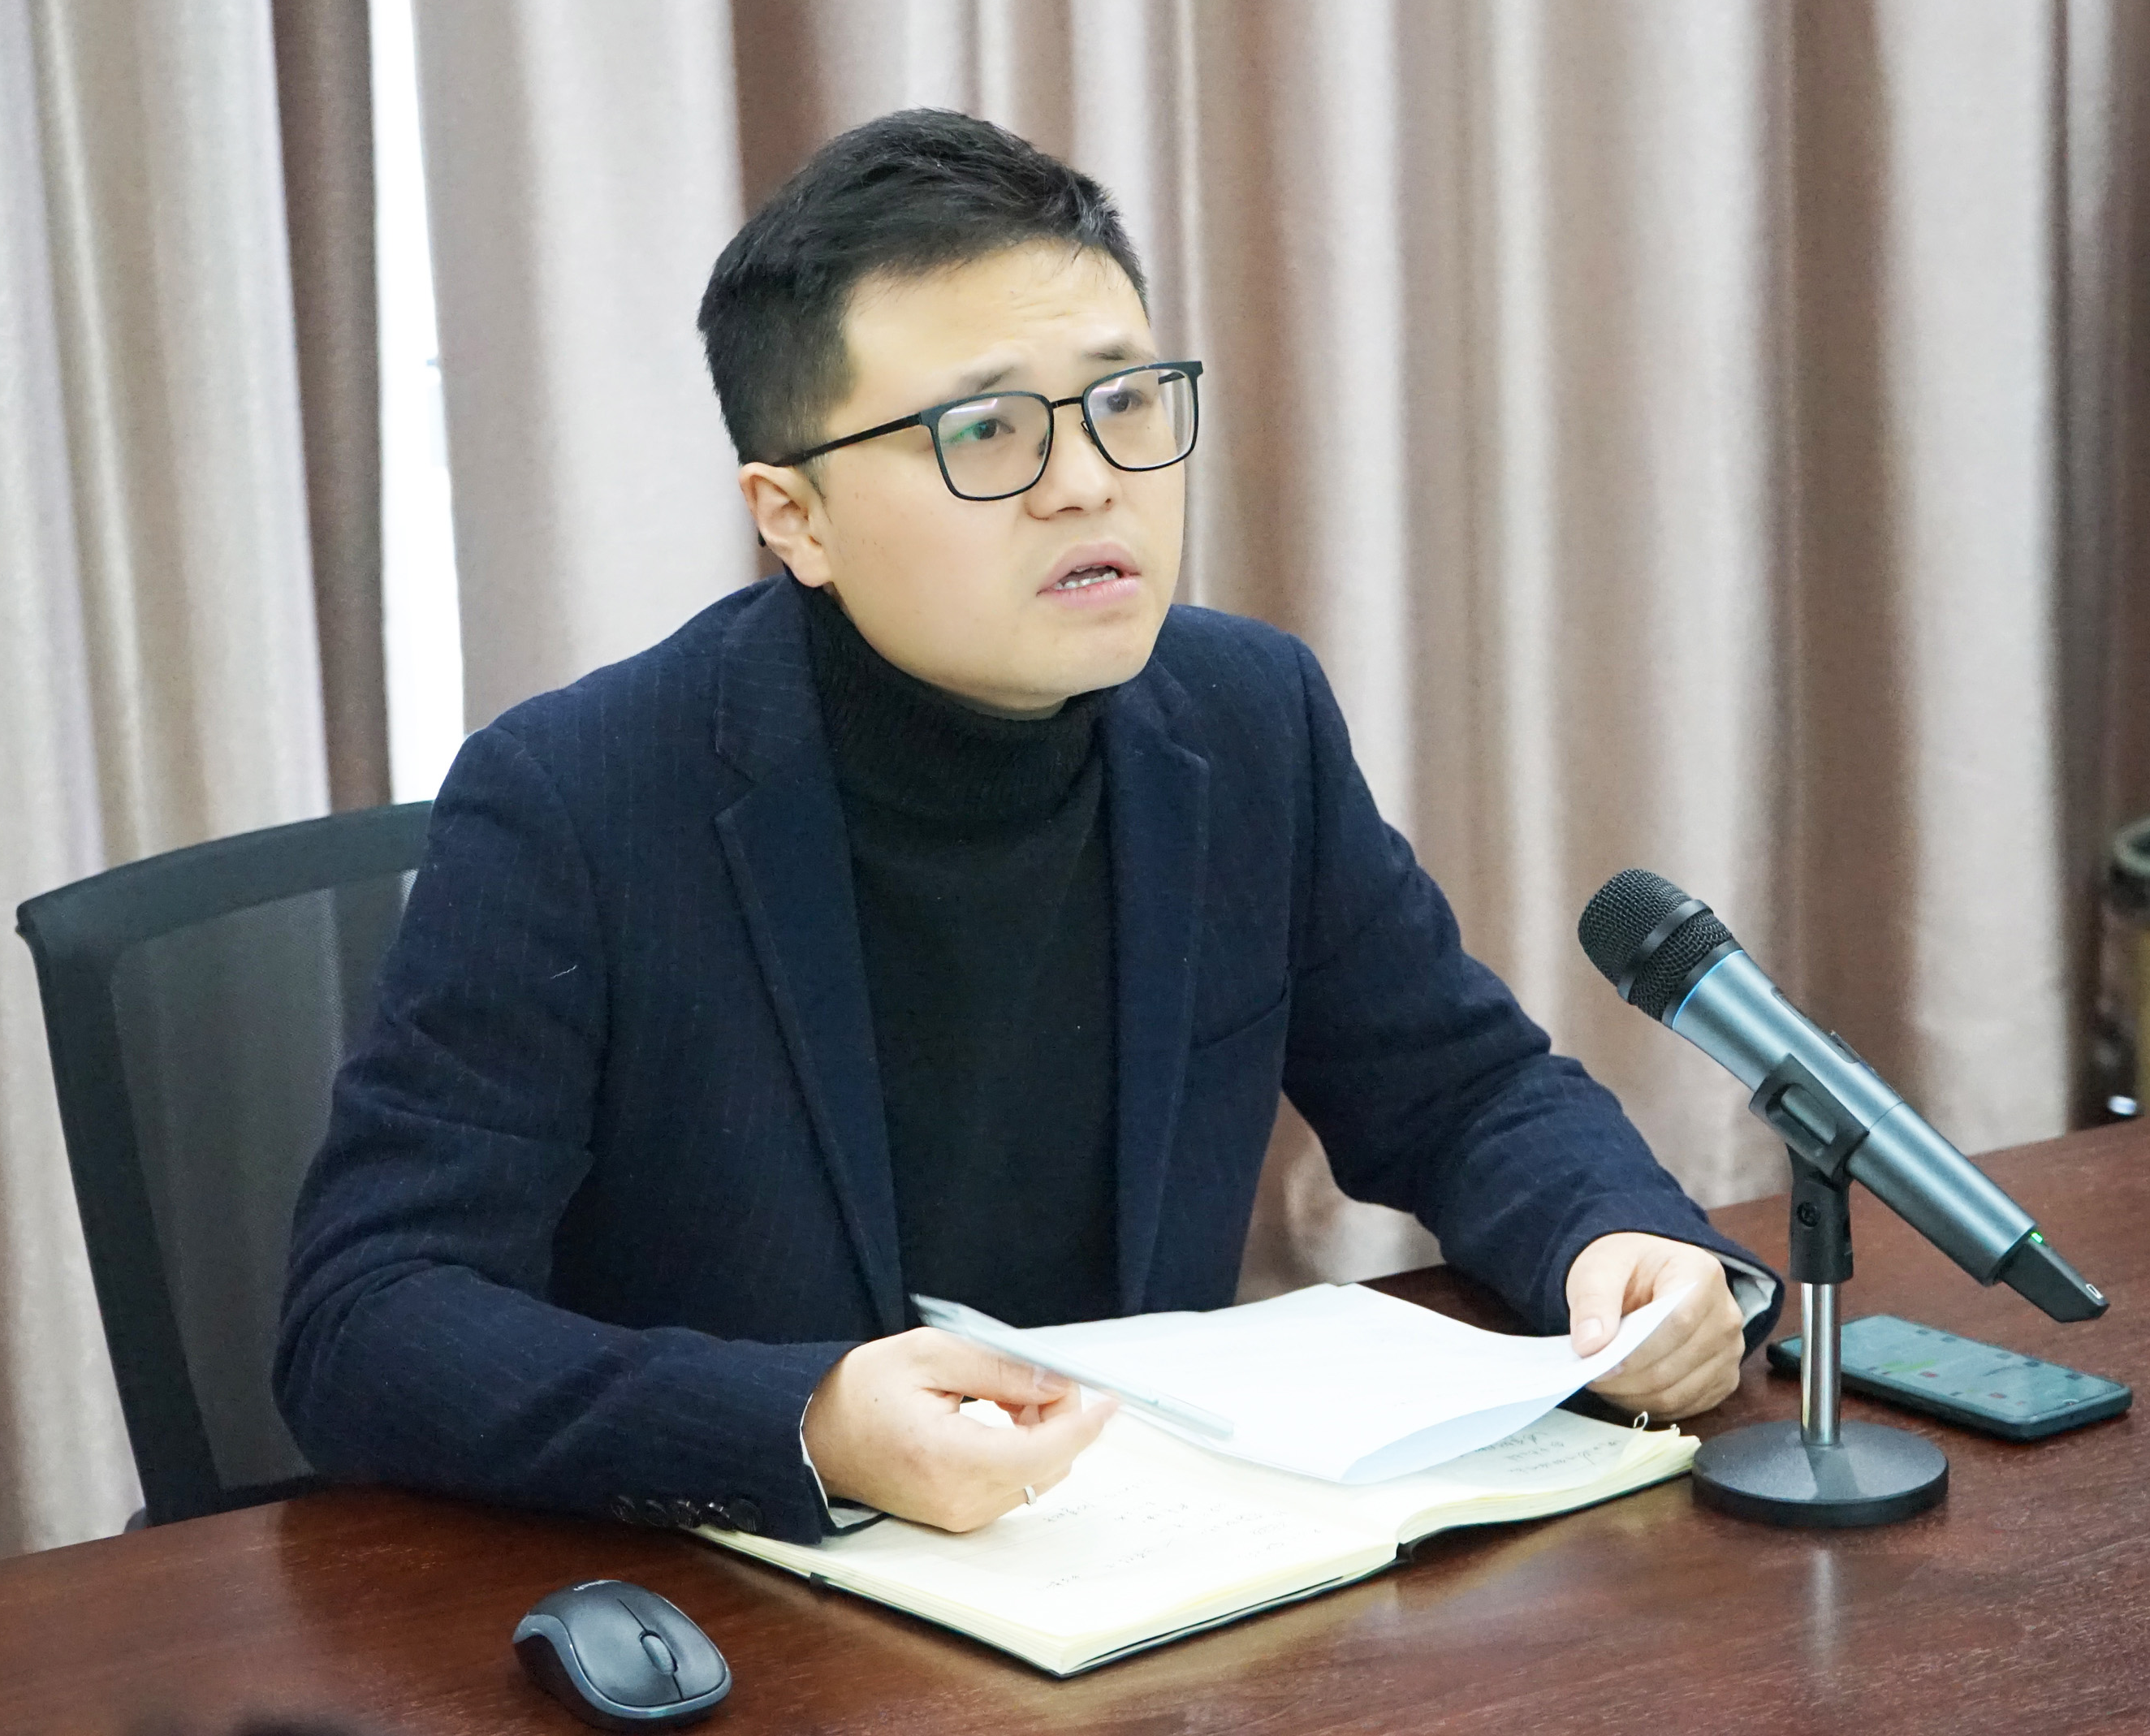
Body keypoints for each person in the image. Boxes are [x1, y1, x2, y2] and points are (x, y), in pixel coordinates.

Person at [276, 110, 1777, 1544]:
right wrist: (803, 1422)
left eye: (1125, 403)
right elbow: (370, 1318)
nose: (1088, 484)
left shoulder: (1246, 720)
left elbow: (1457, 1090)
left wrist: (1613, 1237)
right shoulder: (575, 802)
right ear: (794, 517)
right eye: (985, 430)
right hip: (749, 1600)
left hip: (1148, 1560)